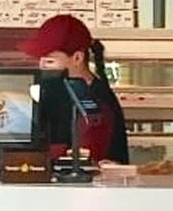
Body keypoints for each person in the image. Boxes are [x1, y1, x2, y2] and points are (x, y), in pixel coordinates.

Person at [18, 13, 129, 165]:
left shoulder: (95, 103)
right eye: (40, 60)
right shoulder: (57, 92)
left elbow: (85, 159)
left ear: (77, 58)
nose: (42, 67)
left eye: (50, 61)